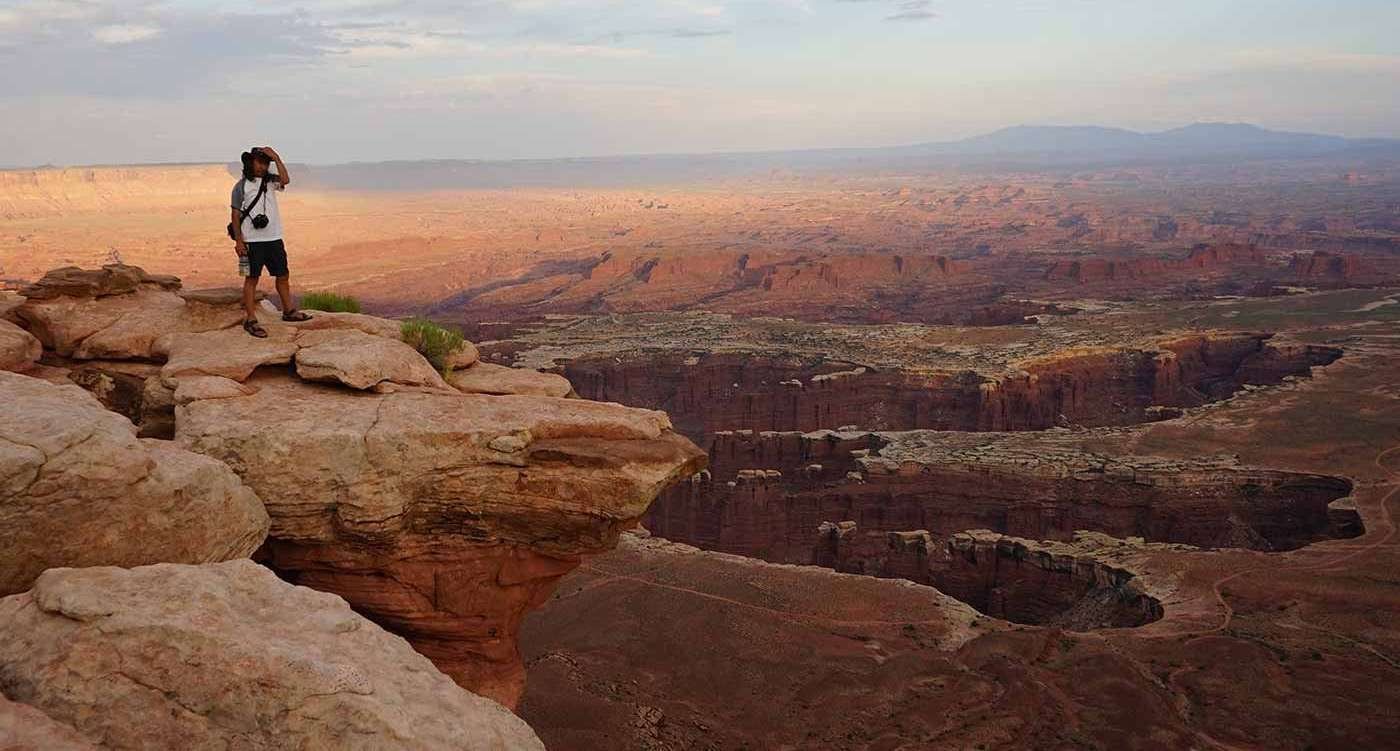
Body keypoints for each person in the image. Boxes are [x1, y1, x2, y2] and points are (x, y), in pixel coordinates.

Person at [230, 146, 311, 337]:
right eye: (259, 162)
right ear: (250, 163)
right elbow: (235, 215)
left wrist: (276, 158)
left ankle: (289, 311)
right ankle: (251, 320)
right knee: (251, 279)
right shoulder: (241, 186)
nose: (262, 166)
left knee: (283, 275)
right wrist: (239, 242)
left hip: (274, 238)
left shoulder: (271, 182)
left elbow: (286, 180)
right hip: (252, 242)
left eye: (265, 163)